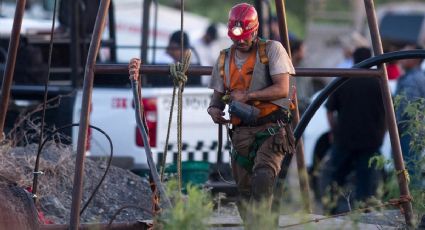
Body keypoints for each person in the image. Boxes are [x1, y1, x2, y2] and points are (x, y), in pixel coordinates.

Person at [207, 3, 295, 224]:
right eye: (236, 37)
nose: (240, 41)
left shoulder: (272, 50)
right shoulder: (223, 58)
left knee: (264, 178)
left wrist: (248, 95)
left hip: (271, 129)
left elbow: (282, 88)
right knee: (245, 195)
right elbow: (216, 98)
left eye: (245, 36)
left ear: (255, 31)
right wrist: (213, 110)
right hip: (241, 135)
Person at [322, 47, 386, 214]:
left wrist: (334, 131)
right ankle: (363, 215)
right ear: (371, 60)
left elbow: (329, 111)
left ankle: (330, 210)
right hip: (370, 142)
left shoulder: (344, 79)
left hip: (344, 139)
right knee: (365, 182)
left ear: (354, 59)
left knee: (336, 177)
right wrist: (382, 133)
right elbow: (389, 114)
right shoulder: (379, 82)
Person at [395, 44, 425, 188]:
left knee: (410, 169)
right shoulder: (418, 76)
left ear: (415, 59)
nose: (401, 56)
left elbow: (407, 110)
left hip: (409, 132)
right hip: (415, 132)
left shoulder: (411, 80)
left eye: (406, 53)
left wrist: (397, 127)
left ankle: (412, 206)